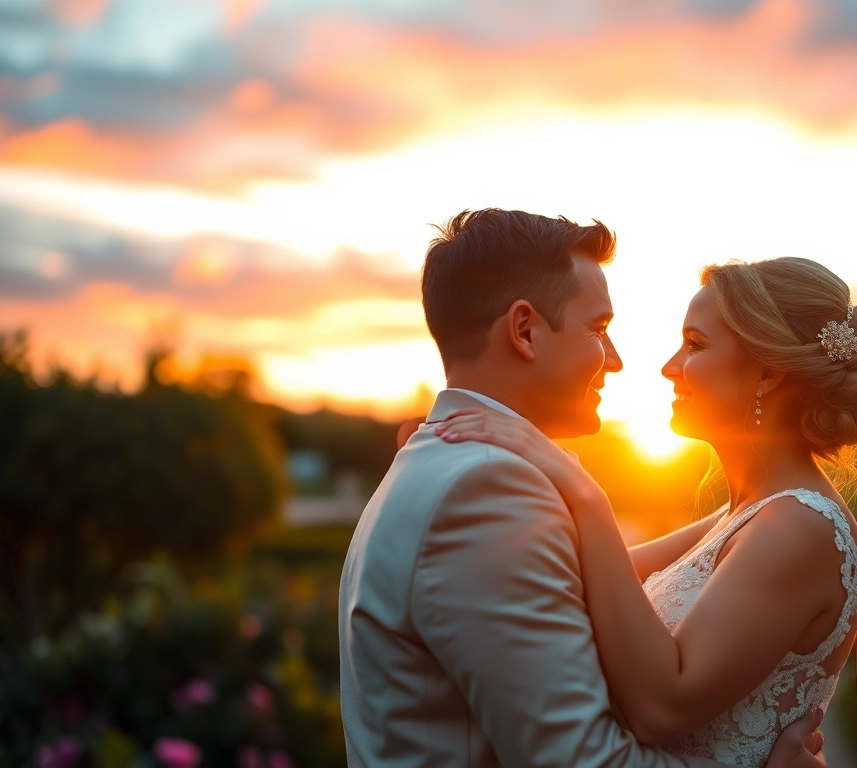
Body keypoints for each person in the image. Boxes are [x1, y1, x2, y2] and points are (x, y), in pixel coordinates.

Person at [438, 257, 857, 766]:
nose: (668, 367)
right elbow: (583, 579)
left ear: (769, 373)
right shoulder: (749, 515)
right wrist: (470, 475)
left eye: (695, 345)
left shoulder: (801, 529)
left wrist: (584, 493)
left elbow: (663, 707)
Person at [338, 210, 827, 768]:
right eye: (598, 330)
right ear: (524, 330)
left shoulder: (440, 462)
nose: (617, 361)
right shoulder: (487, 490)